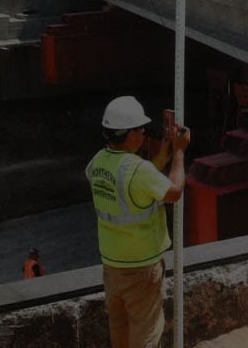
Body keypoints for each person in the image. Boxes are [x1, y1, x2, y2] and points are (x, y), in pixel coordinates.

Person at [87, 96, 190, 348]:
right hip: (141, 268)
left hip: (112, 266)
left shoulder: (97, 163)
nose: (144, 134)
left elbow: (131, 186)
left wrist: (161, 159)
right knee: (145, 334)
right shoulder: (138, 169)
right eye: (141, 129)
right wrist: (178, 152)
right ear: (130, 134)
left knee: (120, 330)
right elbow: (174, 191)